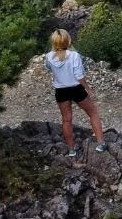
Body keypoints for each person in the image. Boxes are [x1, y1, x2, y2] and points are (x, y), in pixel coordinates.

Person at [45, 29, 107, 157]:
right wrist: (87, 89)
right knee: (93, 113)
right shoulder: (74, 55)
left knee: (67, 120)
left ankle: (72, 150)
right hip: (76, 88)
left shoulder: (49, 57)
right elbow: (79, 75)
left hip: (61, 91)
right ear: (68, 40)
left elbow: (49, 69)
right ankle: (101, 143)